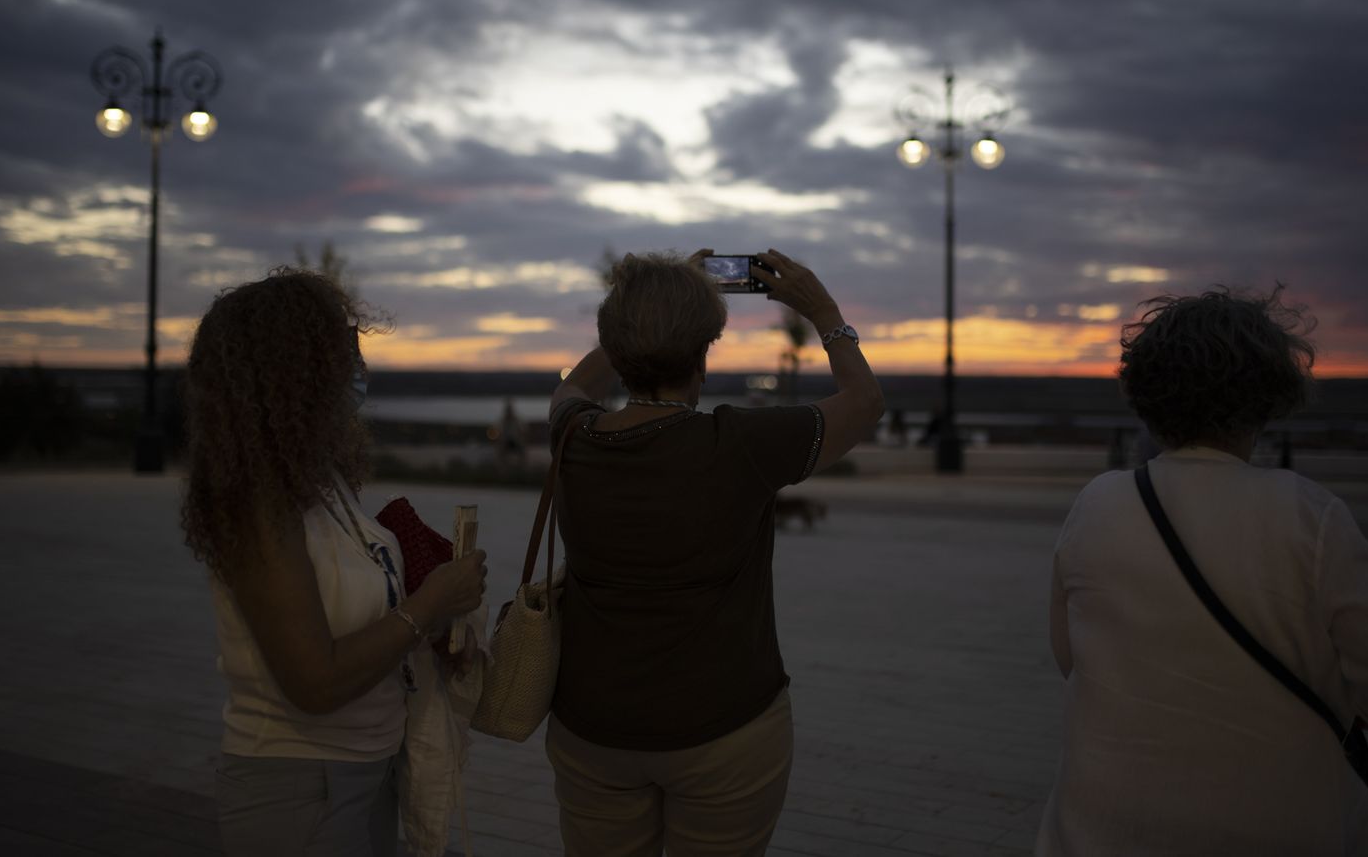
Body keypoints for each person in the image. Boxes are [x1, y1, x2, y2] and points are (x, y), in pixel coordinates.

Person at [1038, 287, 1368, 856]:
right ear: (1268, 396)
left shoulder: (1098, 503)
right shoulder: (1310, 515)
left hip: (1098, 831)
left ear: (1147, 394)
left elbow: (1070, 657)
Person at [544, 248, 884, 857]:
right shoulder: (741, 443)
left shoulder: (574, 434)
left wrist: (639, 319)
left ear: (616, 347)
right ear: (704, 351)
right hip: (724, 729)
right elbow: (864, 403)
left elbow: (574, 386)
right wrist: (823, 311)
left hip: (592, 729)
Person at [181, 269, 488, 856]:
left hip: (362, 774)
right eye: (343, 346)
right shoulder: (259, 502)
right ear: (291, 370)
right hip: (301, 790)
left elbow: (365, 627)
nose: (358, 364)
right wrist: (430, 605)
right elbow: (314, 682)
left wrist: (434, 636)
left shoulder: (321, 483)